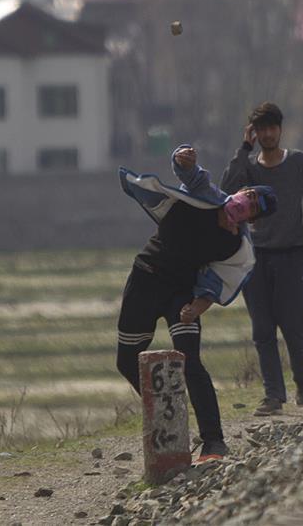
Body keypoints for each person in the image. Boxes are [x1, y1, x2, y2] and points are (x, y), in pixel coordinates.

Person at [117, 145, 277, 462]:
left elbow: (214, 284)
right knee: (126, 361)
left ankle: (214, 442)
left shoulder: (233, 246)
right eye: (249, 196)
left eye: (253, 209)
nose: (245, 205)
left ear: (252, 219)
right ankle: (170, 422)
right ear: (241, 192)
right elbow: (192, 174)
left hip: (181, 292)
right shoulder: (208, 196)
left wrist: (195, 309)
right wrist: (181, 157)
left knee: (190, 362)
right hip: (145, 281)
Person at [221, 102, 303, 416]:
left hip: (290, 257)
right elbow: (226, 191)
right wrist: (243, 149)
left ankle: (302, 381)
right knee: (262, 329)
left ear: (280, 130)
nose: (267, 134)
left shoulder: (297, 162)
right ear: (254, 132)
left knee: (292, 325)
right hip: (254, 259)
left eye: (272, 128)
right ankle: (273, 395)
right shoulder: (249, 167)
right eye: (261, 129)